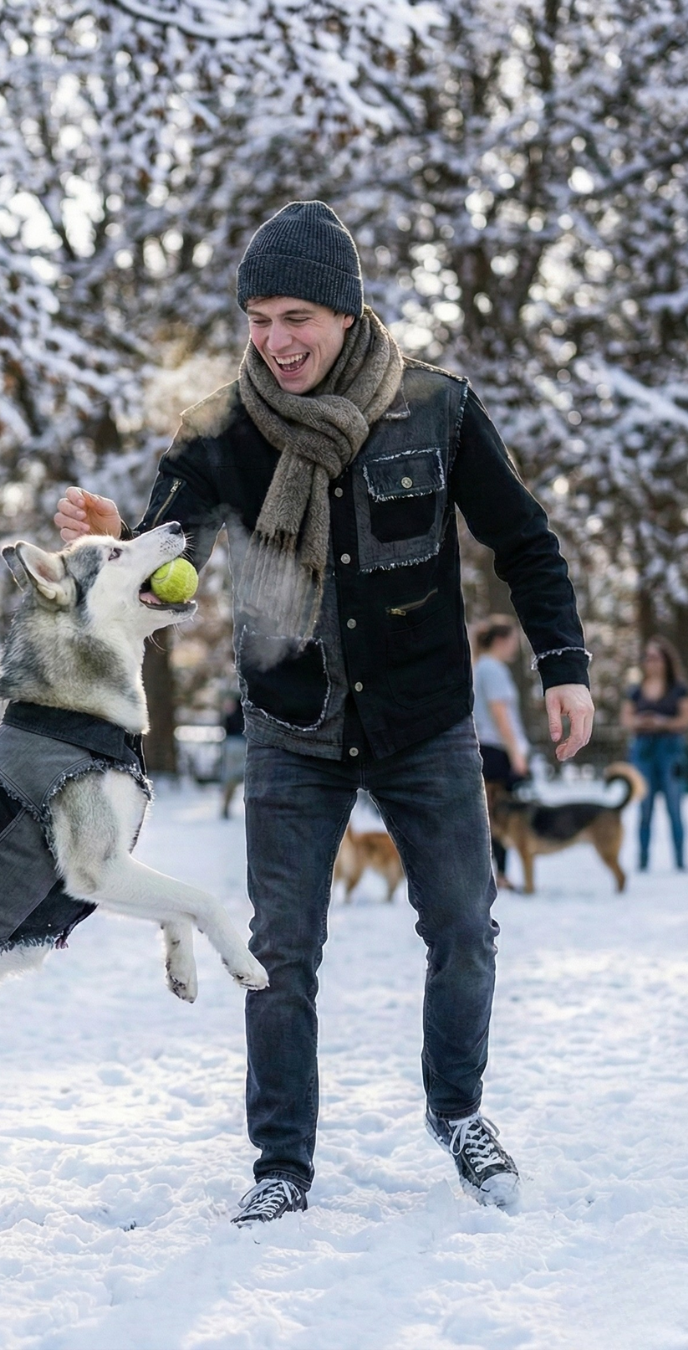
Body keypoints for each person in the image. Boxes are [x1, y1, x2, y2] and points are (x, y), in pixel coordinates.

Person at [55, 201, 593, 1222]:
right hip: (295, 726)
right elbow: (171, 576)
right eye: (257, 318)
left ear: (346, 313)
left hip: (425, 720)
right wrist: (118, 543)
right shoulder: (220, 428)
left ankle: (459, 1110)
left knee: (464, 930)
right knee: (282, 946)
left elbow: (524, 541)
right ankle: (281, 1164)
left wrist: (562, 665)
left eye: (295, 315)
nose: (275, 340)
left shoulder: (437, 408)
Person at [472, 616, 531, 889]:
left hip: (491, 747)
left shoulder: (481, 667)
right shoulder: (492, 669)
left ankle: (498, 873)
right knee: (499, 814)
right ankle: (501, 874)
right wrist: (516, 753)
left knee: (492, 813)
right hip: (496, 749)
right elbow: (500, 714)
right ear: (500, 640)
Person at [620, 636, 688, 871]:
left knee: (674, 808)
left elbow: (684, 719)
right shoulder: (636, 690)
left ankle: (680, 861)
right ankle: (643, 860)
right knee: (644, 808)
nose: (652, 663)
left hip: (670, 751)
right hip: (643, 752)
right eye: (647, 658)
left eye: (656, 658)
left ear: (666, 660)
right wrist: (640, 721)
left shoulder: (678, 689)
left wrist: (662, 722)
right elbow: (626, 718)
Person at [219, 692, 247, 819]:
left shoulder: (231, 709)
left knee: (230, 779)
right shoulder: (249, 708)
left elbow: (225, 725)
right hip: (243, 743)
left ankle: (225, 806)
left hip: (231, 744)